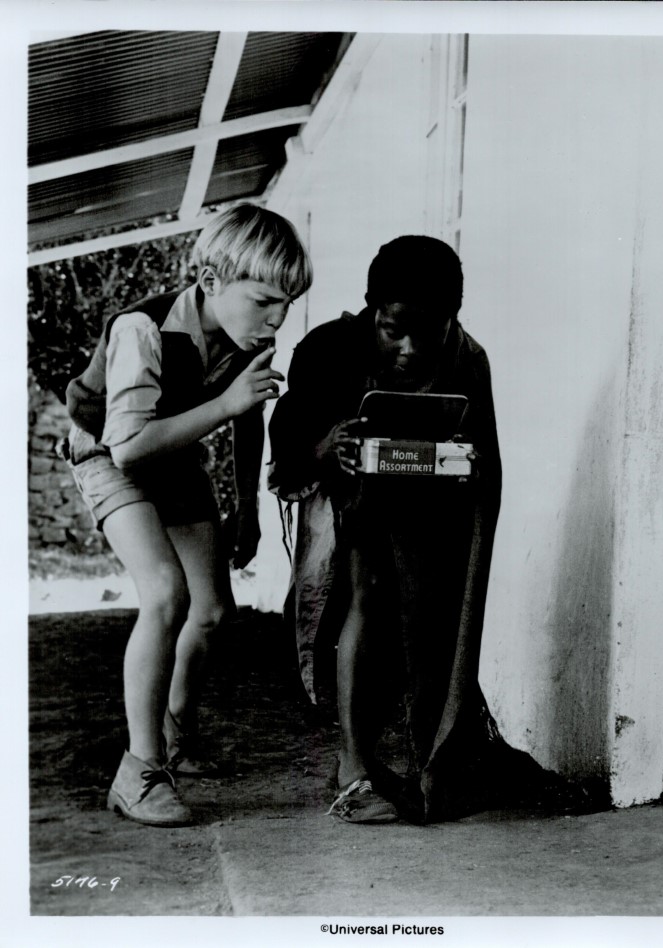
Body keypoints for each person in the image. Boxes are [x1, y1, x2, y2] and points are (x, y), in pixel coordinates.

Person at [63, 203, 312, 827]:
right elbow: (128, 447)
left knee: (212, 610)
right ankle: (139, 771)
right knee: (165, 593)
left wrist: (248, 507)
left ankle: (175, 734)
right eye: (264, 301)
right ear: (209, 281)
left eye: (287, 304)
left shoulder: (249, 334)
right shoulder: (141, 330)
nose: (277, 319)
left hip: (172, 451)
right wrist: (226, 404)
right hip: (108, 451)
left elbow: (248, 414)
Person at [268, 235, 519, 824]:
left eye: (428, 333)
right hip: (347, 504)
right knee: (364, 593)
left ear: (452, 319)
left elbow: (483, 461)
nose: (410, 349)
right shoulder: (328, 348)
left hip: (429, 511)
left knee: (425, 620)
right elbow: (288, 456)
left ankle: (427, 754)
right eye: (393, 331)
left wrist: (456, 462)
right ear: (371, 310)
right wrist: (328, 447)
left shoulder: (467, 357)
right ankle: (353, 769)